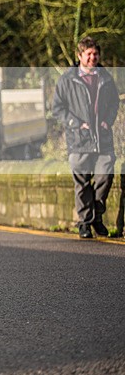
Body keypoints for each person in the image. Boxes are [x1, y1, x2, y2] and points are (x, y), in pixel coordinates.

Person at [52, 36, 120, 239]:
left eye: (96, 54)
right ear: (79, 56)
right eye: (89, 54)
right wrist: (74, 123)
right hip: (79, 140)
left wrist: (108, 120)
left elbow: (115, 103)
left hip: (103, 139)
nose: (93, 57)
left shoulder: (106, 77)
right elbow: (57, 109)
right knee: (82, 184)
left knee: (104, 177)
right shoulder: (67, 80)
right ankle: (84, 223)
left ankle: (97, 217)